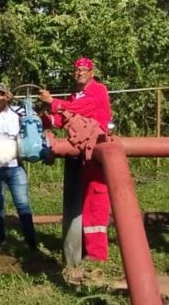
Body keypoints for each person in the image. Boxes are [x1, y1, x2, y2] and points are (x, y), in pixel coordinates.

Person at [38, 57, 112, 266]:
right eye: (76, 70)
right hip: (81, 156)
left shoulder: (98, 90)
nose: (79, 73)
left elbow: (80, 108)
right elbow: (63, 117)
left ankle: (97, 258)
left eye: (83, 69)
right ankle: (84, 253)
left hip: (96, 153)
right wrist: (42, 118)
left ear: (91, 71)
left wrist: (52, 102)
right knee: (83, 204)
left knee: (95, 204)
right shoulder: (74, 96)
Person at [0, 83, 37, 250]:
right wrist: (1, 104)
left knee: (22, 204)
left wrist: (28, 106)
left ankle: (31, 242)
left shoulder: (17, 112)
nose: (0, 97)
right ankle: (0, 240)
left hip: (15, 167)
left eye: (3, 94)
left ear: (8, 95)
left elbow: (33, 118)